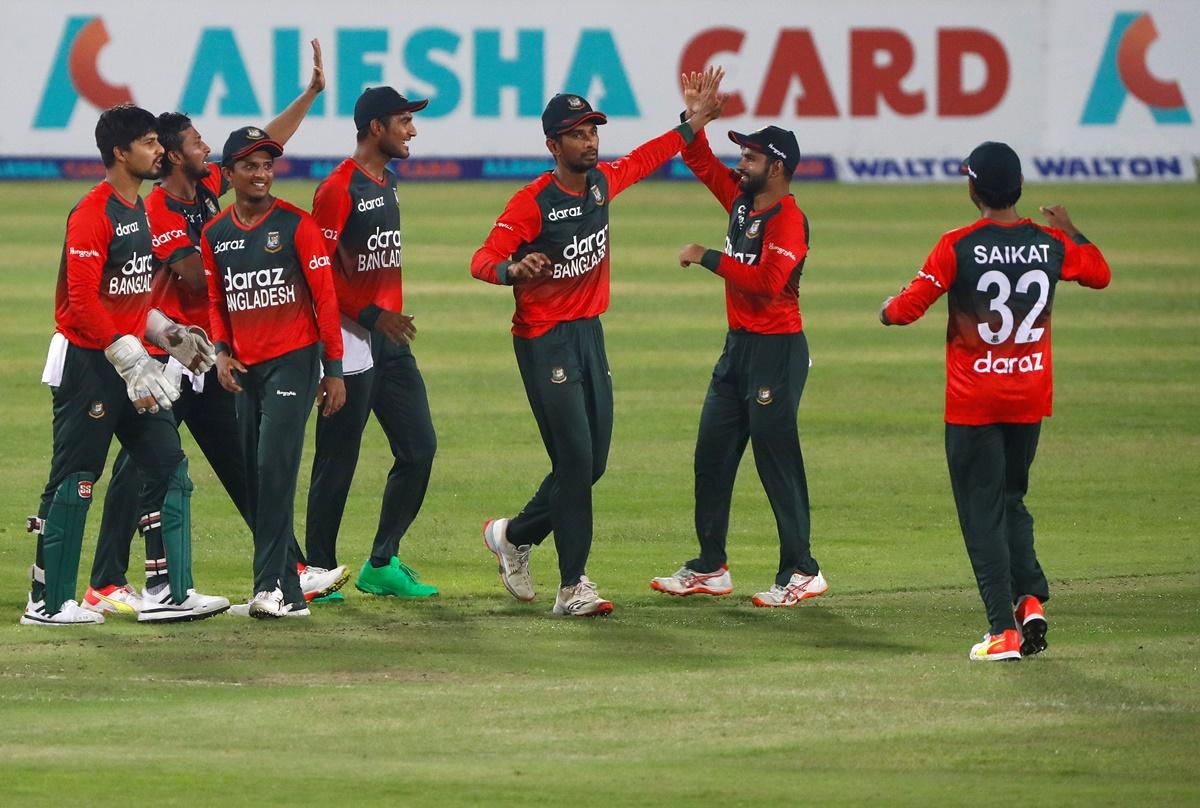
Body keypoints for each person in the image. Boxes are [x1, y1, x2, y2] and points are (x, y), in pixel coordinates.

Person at [81, 40, 348, 616]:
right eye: (197, 142)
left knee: (242, 457)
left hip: (212, 355)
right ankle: (105, 578)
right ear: (175, 159)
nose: (207, 147)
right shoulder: (160, 211)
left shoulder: (202, 194)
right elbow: (195, 280)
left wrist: (309, 95)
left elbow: (259, 149)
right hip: (166, 352)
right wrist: (251, 259)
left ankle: (288, 569)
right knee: (145, 463)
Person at [470, 74, 724, 616]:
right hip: (544, 342)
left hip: (590, 334)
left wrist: (692, 124)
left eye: (593, 130)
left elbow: (649, 156)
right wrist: (515, 268)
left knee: (590, 465)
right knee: (575, 459)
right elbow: (481, 260)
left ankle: (513, 536)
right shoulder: (532, 202)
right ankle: (573, 587)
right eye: (577, 133)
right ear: (552, 146)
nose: (590, 140)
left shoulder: (603, 183)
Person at [879, 141, 1111, 661]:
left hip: (974, 403)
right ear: (1019, 188)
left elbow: (906, 310)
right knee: (1010, 501)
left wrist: (885, 309)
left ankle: (1001, 630)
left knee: (980, 515)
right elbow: (1099, 272)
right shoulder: (1049, 243)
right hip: (1028, 394)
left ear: (973, 187)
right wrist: (1071, 227)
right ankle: (1028, 601)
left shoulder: (957, 244)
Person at [25, 104, 228, 625]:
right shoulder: (93, 212)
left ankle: (168, 592)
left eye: (159, 142)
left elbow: (132, 294)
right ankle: (47, 602)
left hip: (133, 362)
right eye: (148, 142)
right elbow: (81, 300)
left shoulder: (137, 208)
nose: (160, 150)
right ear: (120, 152)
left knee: (169, 467)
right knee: (76, 479)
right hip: (89, 364)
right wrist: (127, 351)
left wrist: (167, 333)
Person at [650, 70, 827, 608]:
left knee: (777, 462)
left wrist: (706, 256)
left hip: (777, 351)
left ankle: (802, 570)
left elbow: (769, 283)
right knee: (712, 455)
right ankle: (710, 565)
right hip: (738, 349)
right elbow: (699, 160)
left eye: (749, 158)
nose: (739, 164)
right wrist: (693, 119)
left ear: (776, 167)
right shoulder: (743, 203)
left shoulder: (788, 221)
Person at [201, 126, 345, 619]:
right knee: (256, 477)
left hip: (294, 361)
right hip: (244, 367)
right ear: (229, 174)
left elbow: (326, 299)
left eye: (268, 165)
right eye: (250, 166)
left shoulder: (297, 225)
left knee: (274, 469)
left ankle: (268, 589)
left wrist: (335, 369)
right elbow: (218, 299)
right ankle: (293, 593)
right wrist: (221, 352)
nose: (262, 174)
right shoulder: (214, 234)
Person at [301, 87, 439, 603]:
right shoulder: (338, 189)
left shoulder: (388, 180)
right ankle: (316, 571)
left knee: (419, 448)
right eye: (404, 121)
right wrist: (373, 315)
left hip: (390, 342)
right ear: (375, 127)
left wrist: (384, 318)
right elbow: (316, 275)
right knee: (337, 459)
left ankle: (381, 562)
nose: (413, 131)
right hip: (349, 343)